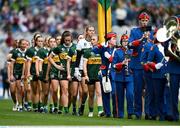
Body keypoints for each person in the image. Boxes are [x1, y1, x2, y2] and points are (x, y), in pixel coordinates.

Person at [128, 11, 154, 119]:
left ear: (148, 21)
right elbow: (130, 45)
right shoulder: (134, 31)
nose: (144, 22)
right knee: (137, 90)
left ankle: (148, 112)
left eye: (146, 20)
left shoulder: (151, 32)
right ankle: (138, 113)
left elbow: (155, 46)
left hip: (148, 65)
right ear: (139, 21)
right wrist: (141, 39)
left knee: (149, 90)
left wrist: (149, 39)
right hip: (137, 65)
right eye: (142, 20)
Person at [93, 32, 117, 117]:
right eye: (113, 39)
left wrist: (110, 58)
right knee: (105, 93)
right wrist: (100, 45)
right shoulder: (103, 48)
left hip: (113, 72)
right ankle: (107, 112)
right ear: (109, 40)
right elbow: (94, 51)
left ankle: (115, 112)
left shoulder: (116, 49)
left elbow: (115, 60)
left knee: (114, 93)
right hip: (104, 73)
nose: (115, 40)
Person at [74, 26, 95, 116]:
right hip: (83, 68)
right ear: (86, 32)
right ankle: (82, 105)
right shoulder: (81, 42)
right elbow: (78, 57)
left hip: (92, 69)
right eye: (90, 30)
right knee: (84, 91)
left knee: (91, 92)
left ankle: (89, 109)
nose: (91, 32)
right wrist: (76, 69)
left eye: (93, 31)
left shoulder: (94, 43)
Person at [112, 33, 134, 119]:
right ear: (121, 42)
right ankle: (120, 114)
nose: (125, 42)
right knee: (120, 97)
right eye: (124, 41)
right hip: (119, 77)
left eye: (126, 41)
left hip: (129, 77)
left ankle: (130, 112)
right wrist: (121, 64)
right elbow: (113, 65)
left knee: (130, 94)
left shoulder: (131, 51)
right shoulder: (117, 52)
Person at [83, 34, 104, 117]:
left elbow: (104, 63)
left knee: (99, 93)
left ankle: (100, 111)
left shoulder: (101, 51)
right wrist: (85, 75)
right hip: (90, 75)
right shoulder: (87, 51)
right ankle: (91, 111)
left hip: (98, 76)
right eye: (91, 39)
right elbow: (84, 64)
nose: (92, 41)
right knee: (91, 94)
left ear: (98, 41)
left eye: (94, 39)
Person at [25, 35, 43, 112]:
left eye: (42, 41)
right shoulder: (30, 50)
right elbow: (28, 62)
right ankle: (35, 106)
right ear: (35, 42)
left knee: (41, 89)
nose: (40, 42)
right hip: (32, 72)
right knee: (34, 90)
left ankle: (40, 106)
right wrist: (28, 72)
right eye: (39, 41)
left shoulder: (44, 50)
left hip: (41, 73)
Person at [10, 39, 27, 111]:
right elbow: (12, 64)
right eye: (22, 44)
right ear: (19, 44)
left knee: (21, 90)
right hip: (16, 73)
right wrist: (11, 74)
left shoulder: (27, 52)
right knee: (13, 91)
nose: (24, 45)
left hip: (23, 74)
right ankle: (15, 102)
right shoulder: (15, 52)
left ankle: (21, 104)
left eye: (25, 44)